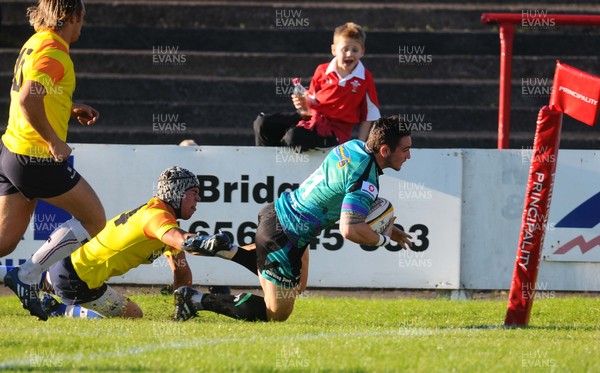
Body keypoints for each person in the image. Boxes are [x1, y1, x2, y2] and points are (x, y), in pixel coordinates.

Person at [174, 115, 413, 322]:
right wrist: (382, 239)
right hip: (285, 234)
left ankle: (227, 249)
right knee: (277, 313)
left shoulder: (354, 146)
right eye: (405, 150)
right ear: (384, 150)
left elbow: (349, 204)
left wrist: (391, 230)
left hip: (278, 214)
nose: (409, 156)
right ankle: (195, 299)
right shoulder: (365, 180)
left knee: (298, 286)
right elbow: (349, 229)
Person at [1, 0, 106, 320]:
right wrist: (53, 141)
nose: (82, 26)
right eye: (81, 19)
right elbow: (28, 97)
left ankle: (26, 274)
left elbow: (37, 92)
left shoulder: (37, 41)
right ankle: (28, 275)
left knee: (4, 242)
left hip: (11, 152)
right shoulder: (55, 52)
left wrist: (70, 108)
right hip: (37, 157)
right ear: (70, 17)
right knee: (95, 220)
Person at [35, 166, 235, 318]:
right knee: (133, 316)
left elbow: (181, 271)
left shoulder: (160, 217)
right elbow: (182, 241)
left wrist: (182, 306)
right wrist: (205, 241)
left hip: (70, 266)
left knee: (27, 276)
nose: (198, 199)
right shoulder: (157, 217)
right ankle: (59, 310)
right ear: (178, 192)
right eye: (194, 192)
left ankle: (47, 291)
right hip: (77, 278)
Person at [253, 22, 380, 152]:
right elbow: (310, 103)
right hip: (310, 118)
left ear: (362, 52)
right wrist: (303, 101)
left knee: (295, 137)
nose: (349, 54)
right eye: (345, 49)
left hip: (335, 132)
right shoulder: (322, 70)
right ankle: (263, 165)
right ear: (334, 50)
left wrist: (361, 146)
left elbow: (370, 114)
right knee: (263, 123)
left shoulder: (365, 78)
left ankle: (279, 163)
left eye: (355, 50)